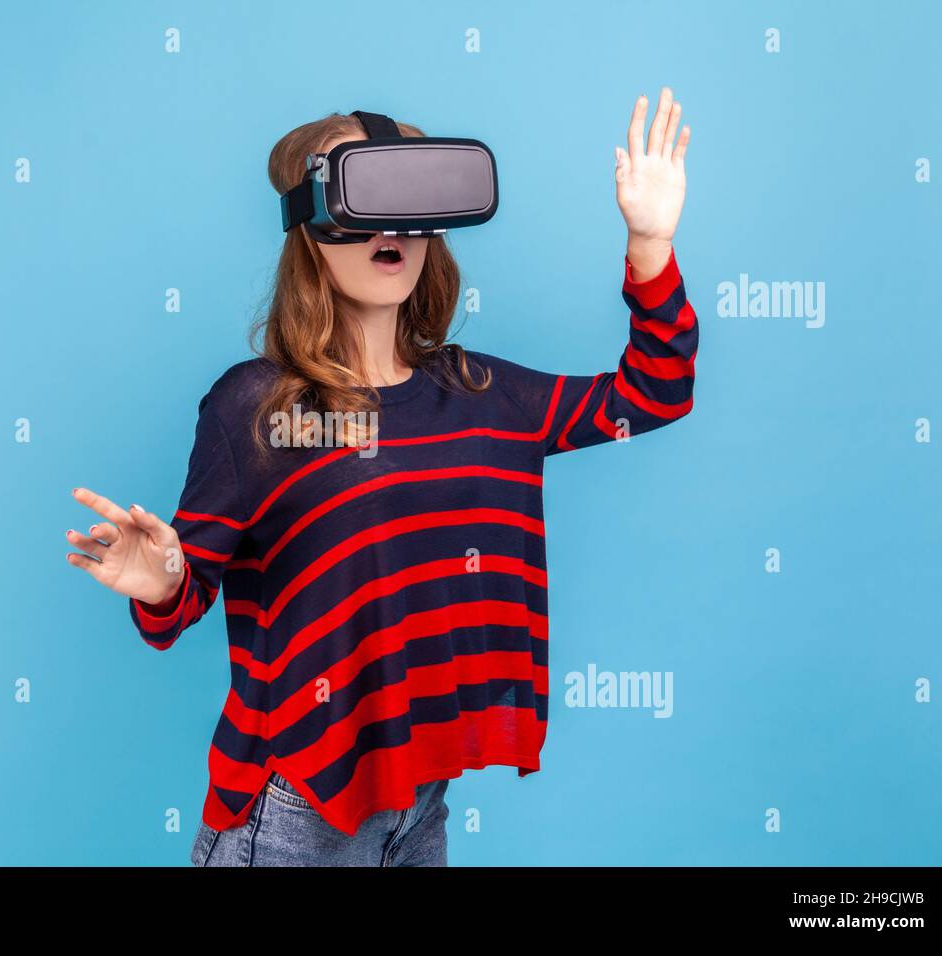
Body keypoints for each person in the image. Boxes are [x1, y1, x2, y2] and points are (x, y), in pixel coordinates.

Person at [67, 89, 696, 866]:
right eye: (366, 199)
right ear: (312, 226)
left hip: (419, 798)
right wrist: (163, 576)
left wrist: (650, 244)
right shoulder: (255, 408)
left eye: (413, 202)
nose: (391, 229)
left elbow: (652, 395)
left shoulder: (484, 394)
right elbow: (180, 601)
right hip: (296, 804)